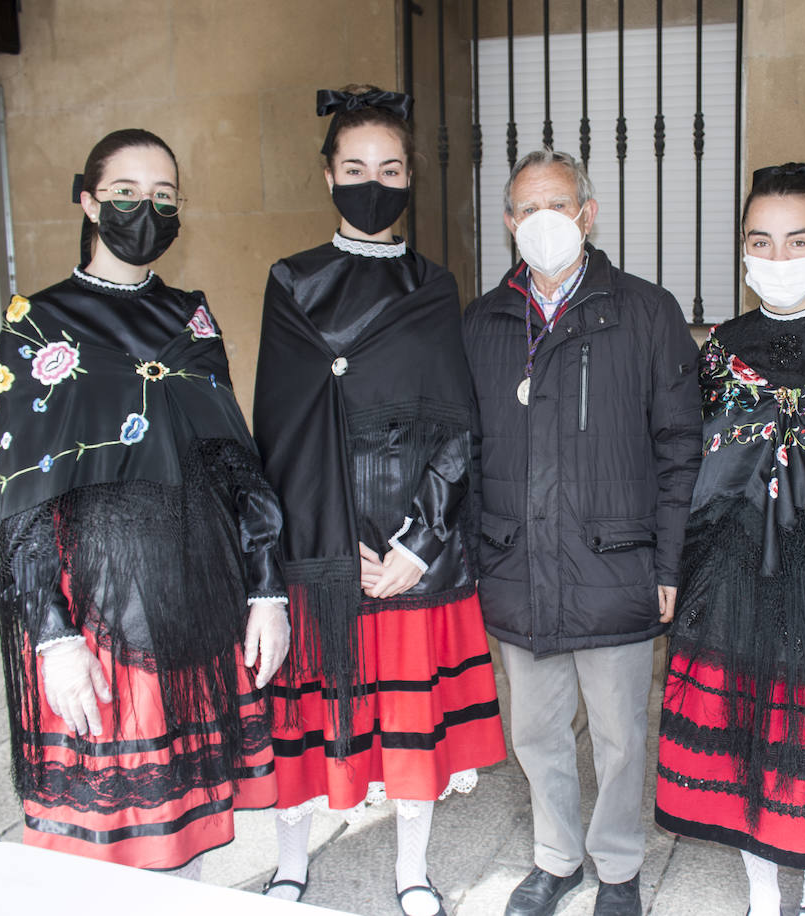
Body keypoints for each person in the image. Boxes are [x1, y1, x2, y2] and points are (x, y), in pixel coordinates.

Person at [0, 129, 291, 875]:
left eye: (164, 196)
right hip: (99, 607)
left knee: (181, 828)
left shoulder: (191, 315)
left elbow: (235, 464)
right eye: (126, 193)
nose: (145, 208)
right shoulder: (37, 321)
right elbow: (21, 493)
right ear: (89, 202)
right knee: (107, 842)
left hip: (197, 593)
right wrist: (53, 638)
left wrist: (267, 589)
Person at [252, 86, 506, 916]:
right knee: (304, 724)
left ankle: (411, 868)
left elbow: (459, 429)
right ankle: (290, 862)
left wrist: (416, 545)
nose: (374, 182)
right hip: (321, 543)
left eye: (390, 168)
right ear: (328, 176)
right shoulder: (291, 282)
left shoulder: (435, 285)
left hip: (407, 546)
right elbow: (282, 431)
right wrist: (328, 552)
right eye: (356, 167)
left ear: (409, 179)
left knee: (411, 727)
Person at [655, 163, 805, 916]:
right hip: (728, 574)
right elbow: (690, 461)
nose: (779, 255)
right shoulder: (722, 348)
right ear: (742, 249)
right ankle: (763, 895)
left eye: (798, 239)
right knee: (741, 743)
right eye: (761, 240)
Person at [462, 149, 701, 916]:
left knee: (621, 736)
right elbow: (463, 451)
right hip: (518, 562)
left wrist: (670, 562)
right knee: (535, 733)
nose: (543, 222)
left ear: (588, 214)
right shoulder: (483, 321)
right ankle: (556, 857)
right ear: (508, 223)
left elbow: (679, 446)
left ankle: (619, 867)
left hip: (617, 561)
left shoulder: (644, 311)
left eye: (557, 206)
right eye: (526, 209)